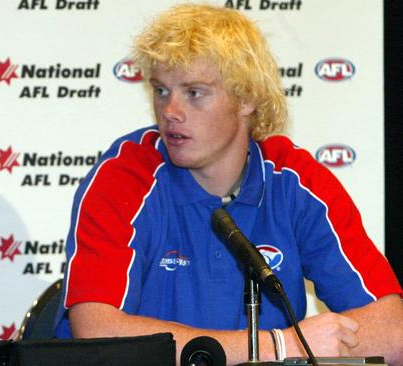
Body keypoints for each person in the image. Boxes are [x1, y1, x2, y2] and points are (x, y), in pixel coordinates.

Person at [54, 3, 403, 364]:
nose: (170, 111)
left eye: (194, 92)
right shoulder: (125, 176)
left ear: (247, 98)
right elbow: (96, 331)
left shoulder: (296, 181)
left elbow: (394, 331)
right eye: (161, 91)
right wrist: (282, 346)